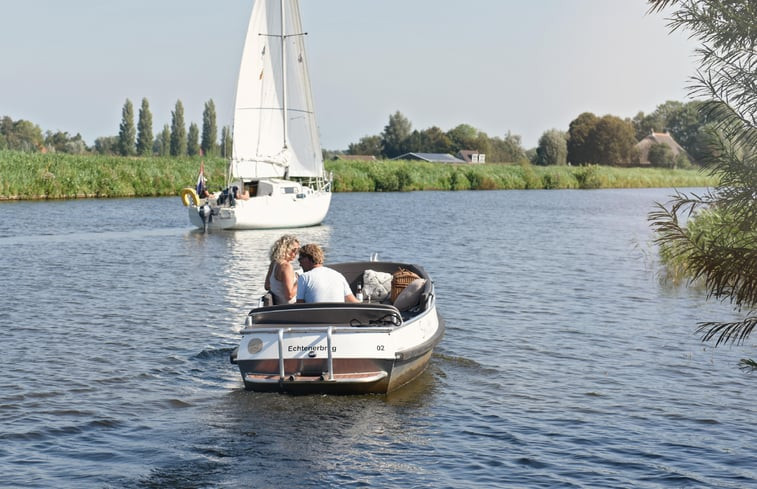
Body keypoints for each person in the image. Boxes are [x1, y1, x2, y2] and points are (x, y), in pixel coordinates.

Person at [264, 234, 300, 304]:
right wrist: (300, 281)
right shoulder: (286, 267)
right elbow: (289, 295)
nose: (296, 253)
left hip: (278, 304)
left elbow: (267, 286)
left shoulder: (274, 263)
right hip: (290, 308)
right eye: (295, 250)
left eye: (298, 251)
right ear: (286, 249)